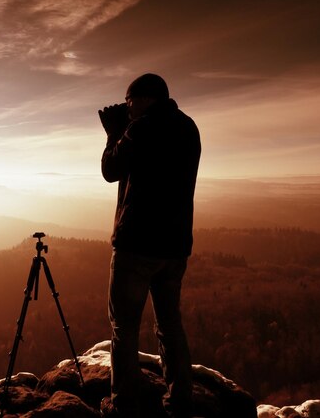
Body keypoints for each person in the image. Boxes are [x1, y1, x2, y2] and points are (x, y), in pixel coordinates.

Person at [98, 73, 201, 418]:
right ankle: (181, 400)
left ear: (143, 98)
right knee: (170, 325)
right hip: (174, 247)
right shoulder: (189, 128)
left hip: (136, 245)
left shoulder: (140, 129)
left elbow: (111, 169)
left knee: (124, 328)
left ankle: (124, 405)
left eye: (128, 101)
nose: (126, 108)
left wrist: (114, 132)